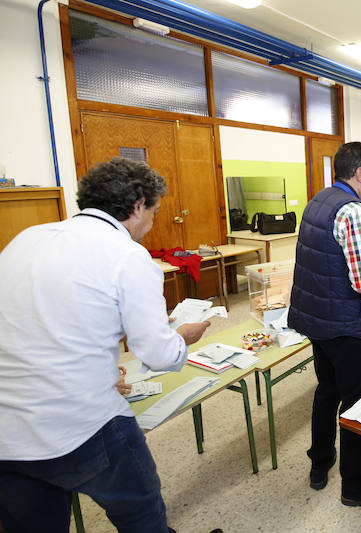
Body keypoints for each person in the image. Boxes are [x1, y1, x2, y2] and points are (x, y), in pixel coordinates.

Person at [0, 157, 211, 532]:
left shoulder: (28, 238)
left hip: (8, 432)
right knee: (143, 518)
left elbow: (42, 322)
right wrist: (181, 338)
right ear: (137, 206)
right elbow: (159, 355)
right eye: (154, 211)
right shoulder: (128, 256)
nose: (152, 223)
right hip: (80, 425)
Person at [287, 142, 361, 511]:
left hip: (318, 321)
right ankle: (356, 488)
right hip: (348, 326)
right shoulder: (355, 212)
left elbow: (330, 257)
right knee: (359, 405)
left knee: (327, 390)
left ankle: (320, 462)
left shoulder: (320, 199)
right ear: (360, 174)